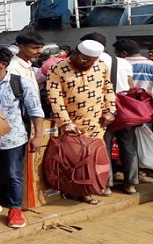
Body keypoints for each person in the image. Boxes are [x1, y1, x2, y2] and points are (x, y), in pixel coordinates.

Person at [0, 47, 44, 228]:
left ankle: (15, 209)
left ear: (3, 64)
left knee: (14, 174)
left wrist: (38, 136)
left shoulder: (21, 83)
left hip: (14, 139)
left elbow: (36, 111)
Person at [46, 40, 117, 205]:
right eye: (85, 59)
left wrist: (110, 111)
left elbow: (108, 89)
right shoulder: (57, 69)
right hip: (71, 124)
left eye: (92, 61)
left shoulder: (101, 66)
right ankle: (73, 190)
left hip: (96, 122)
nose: (88, 63)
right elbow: (55, 98)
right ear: (76, 53)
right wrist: (65, 122)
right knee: (73, 160)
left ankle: (90, 190)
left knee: (92, 158)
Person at [80, 33, 133, 196]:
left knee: (103, 147)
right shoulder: (123, 62)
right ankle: (130, 184)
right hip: (123, 110)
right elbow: (131, 87)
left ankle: (106, 185)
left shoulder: (90, 62)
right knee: (129, 147)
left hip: (100, 110)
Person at [111, 39, 150, 194]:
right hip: (142, 111)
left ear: (124, 53)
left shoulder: (121, 63)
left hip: (117, 109)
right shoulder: (151, 65)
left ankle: (108, 181)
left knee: (108, 145)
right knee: (131, 146)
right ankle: (133, 181)